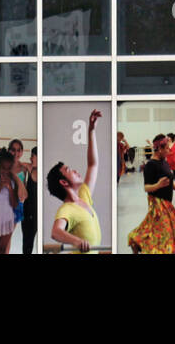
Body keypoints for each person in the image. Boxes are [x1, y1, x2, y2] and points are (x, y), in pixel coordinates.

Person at [47, 108, 102, 253]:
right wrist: (76, 241)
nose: (76, 171)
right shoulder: (66, 209)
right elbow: (55, 232)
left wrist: (91, 131)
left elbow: (93, 164)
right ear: (64, 182)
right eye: (69, 170)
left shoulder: (84, 195)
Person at [126, 135, 175, 254]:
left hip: (167, 203)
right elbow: (146, 187)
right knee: (166, 232)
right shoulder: (150, 165)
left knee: (154, 228)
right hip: (157, 203)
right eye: (167, 148)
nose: (169, 151)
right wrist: (158, 185)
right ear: (159, 149)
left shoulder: (164, 162)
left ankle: (136, 240)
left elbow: (170, 181)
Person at [0, 147, 26, 254]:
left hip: (7, 219)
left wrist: (10, 189)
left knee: (2, 249)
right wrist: (0, 187)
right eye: (3, 168)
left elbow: (14, 204)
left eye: (8, 168)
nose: (5, 171)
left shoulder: (13, 182)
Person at [21, 146, 39, 254]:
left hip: (33, 212)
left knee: (29, 242)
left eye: (32, 156)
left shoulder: (34, 170)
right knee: (28, 243)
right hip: (28, 211)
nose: (30, 158)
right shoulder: (31, 168)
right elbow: (19, 163)